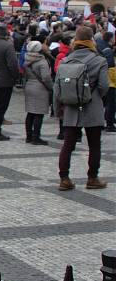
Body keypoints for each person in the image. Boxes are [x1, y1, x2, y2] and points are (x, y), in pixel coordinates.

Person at [55, 26, 108, 191]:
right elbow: (104, 86)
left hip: (71, 107)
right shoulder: (99, 60)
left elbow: (57, 89)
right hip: (93, 106)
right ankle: (92, 178)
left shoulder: (65, 60)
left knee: (68, 145)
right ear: (91, 40)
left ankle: (64, 179)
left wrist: (58, 110)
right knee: (94, 145)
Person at [23, 40, 52, 145]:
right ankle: (36, 137)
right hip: (40, 88)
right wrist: (51, 87)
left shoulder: (27, 60)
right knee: (39, 114)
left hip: (29, 85)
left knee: (30, 113)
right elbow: (46, 77)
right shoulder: (42, 61)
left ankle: (28, 136)